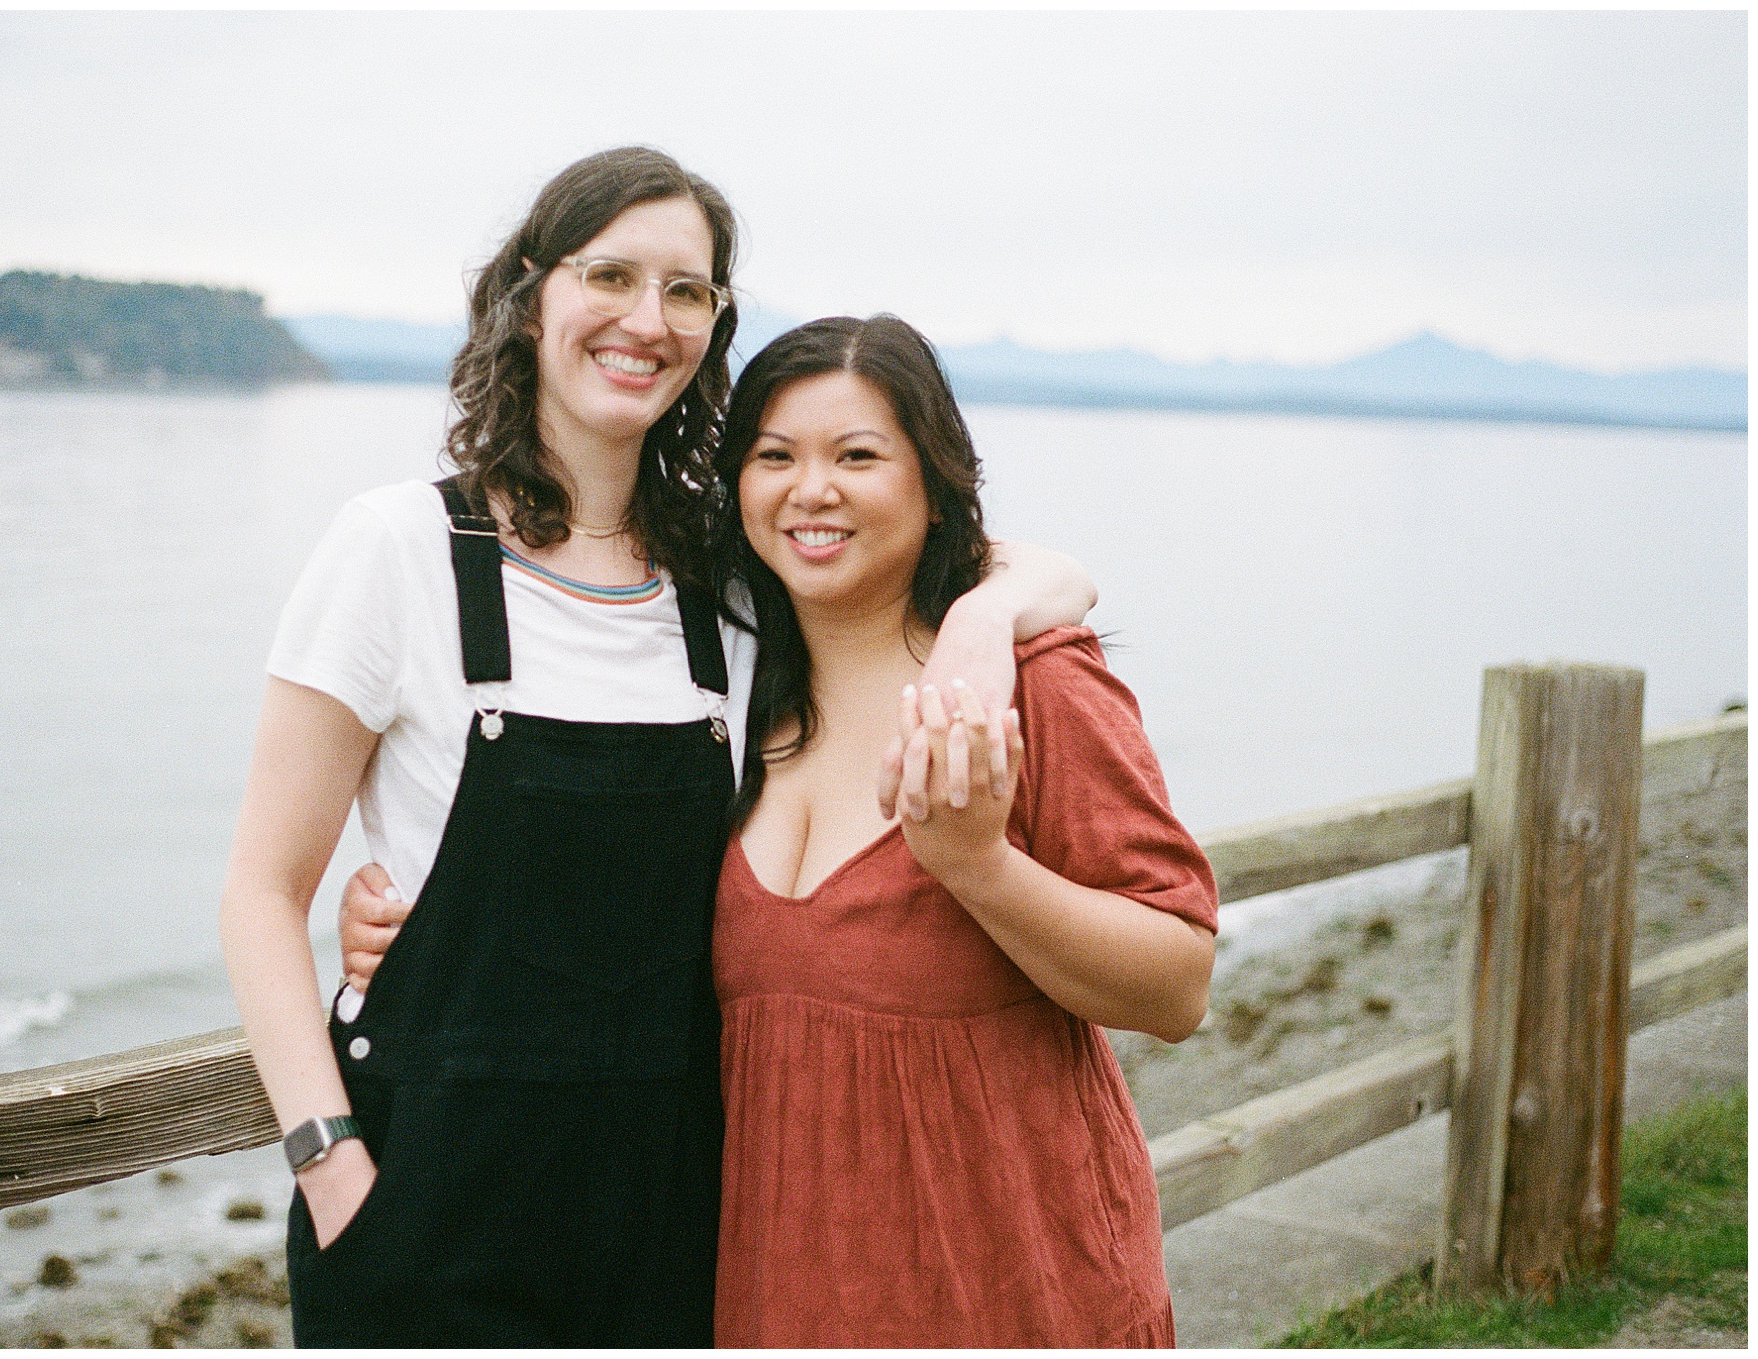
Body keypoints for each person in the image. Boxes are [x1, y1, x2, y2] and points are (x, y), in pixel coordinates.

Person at [220, 148, 1094, 1348]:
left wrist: (989, 624)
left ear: (717, 324)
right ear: (531, 295)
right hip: (426, 1218)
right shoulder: (396, 552)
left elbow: (1018, 566)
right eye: (612, 275)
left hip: (675, 1221)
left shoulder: (727, 585)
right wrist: (331, 1169)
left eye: (688, 291)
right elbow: (264, 893)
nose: (648, 320)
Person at [340, 312, 1217, 1347]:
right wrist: (420, 929)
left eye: (858, 455)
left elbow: (1176, 986)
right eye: (774, 457)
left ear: (933, 483)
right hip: (782, 1295)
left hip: (1011, 1286)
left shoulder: (1032, 688)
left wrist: (979, 867)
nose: (812, 490)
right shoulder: (731, 697)